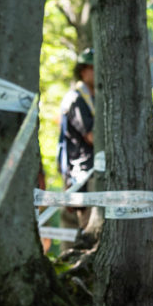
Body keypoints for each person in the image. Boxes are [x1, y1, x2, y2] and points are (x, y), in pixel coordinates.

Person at [57, 48, 96, 231]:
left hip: (91, 172)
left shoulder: (92, 98)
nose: (97, 73)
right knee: (89, 228)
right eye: (93, 68)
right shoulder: (77, 100)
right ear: (83, 71)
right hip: (83, 174)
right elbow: (92, 137)